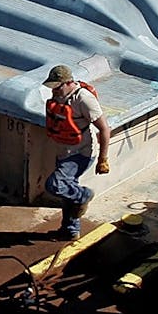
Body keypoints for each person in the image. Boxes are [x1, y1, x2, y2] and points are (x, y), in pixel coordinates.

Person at [42, 65, 111, 240]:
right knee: (68, 194)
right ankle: (70, 230)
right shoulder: (59, 96)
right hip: (64, 152)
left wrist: (103, 159)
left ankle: (84, 195)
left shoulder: (84, 99)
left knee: (55, 185)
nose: (54, 91)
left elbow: (104, 129)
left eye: (57, 87)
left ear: (68, 83)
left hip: (81, 153)